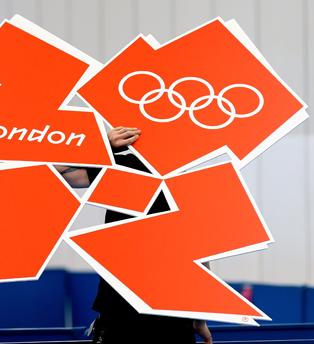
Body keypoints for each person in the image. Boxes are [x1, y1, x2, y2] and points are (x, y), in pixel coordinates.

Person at [56, 127, 212, 344]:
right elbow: (202, 256)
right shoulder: (192, 183)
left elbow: (61, 172)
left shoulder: (125, 167)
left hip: (133, 311)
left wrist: (102, 146)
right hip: (157, 311)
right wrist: (199, 319)